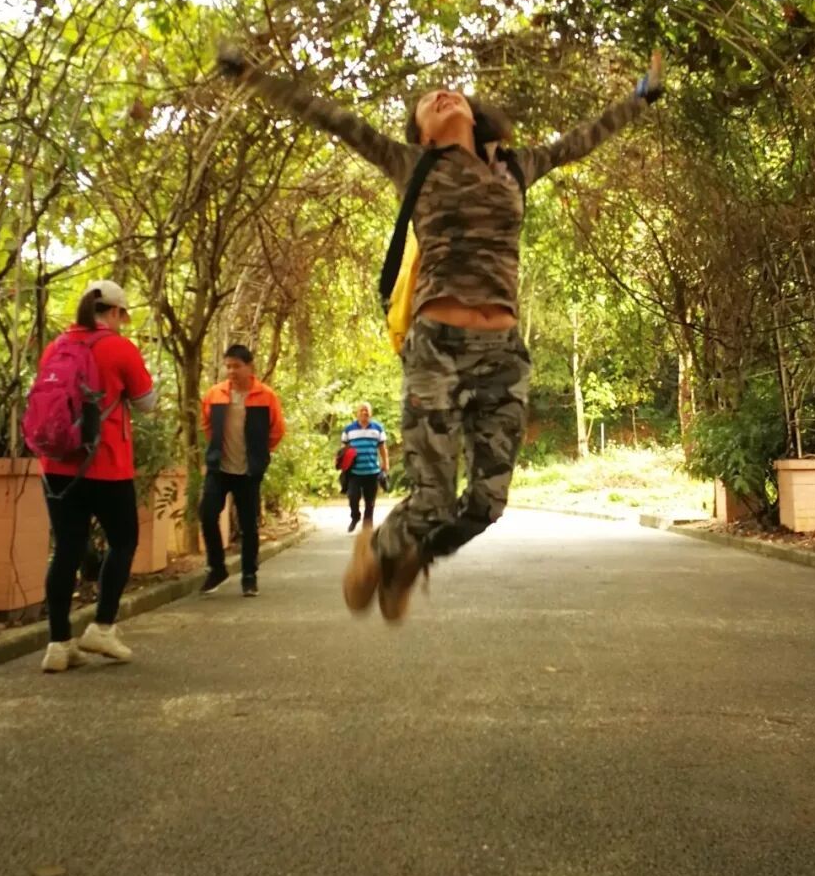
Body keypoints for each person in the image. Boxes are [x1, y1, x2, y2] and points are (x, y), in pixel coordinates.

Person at [219, 46, 663, 622]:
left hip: (504, 357)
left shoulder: (516, 166)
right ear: (422, 133)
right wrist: (255, 77)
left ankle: (410, 557)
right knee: (431, 499)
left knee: (487, 504)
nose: (441, 95)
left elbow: (584, 138)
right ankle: (383, 548)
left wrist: (640, 97)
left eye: (450, 93)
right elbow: (330, 116)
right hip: (436, 348)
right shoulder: (412, 164)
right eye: (428, 101)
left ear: (475, 115)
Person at [36, 280, 157, 671]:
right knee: (123, 541)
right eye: (123, 315)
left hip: (57, 466)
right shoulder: (119, 348)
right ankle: (102, 627)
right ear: (116, 312)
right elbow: (147, 403)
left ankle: (58, 644)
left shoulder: (56, 347)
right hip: (105, 465)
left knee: (66, 548)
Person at [199, 345, 286, 597]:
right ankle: (217, 568)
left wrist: (259, 454)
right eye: (228, 366)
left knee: (249, 525)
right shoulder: (215, 394)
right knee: (207, 514)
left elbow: (277, 430)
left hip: (248, 472)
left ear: (250, 367)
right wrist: (217, 448)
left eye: (237, 366)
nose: (231, 371)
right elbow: (206, 424)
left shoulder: (265, 396)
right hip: (219, 469)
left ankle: (249, 576)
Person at [341, 402, 390, 533]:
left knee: (370, 502)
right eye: (362, 410)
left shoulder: (378, 428)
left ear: (371, 413)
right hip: (354, 472)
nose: (364, 412)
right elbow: (343, 449)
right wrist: (341, 463)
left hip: (372, 472)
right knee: (353, 497)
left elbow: (382, 448)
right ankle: (355, 516)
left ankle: (367, 530)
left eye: (367, 410)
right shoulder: (349, 429)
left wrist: (386, 464)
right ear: (357, 413)